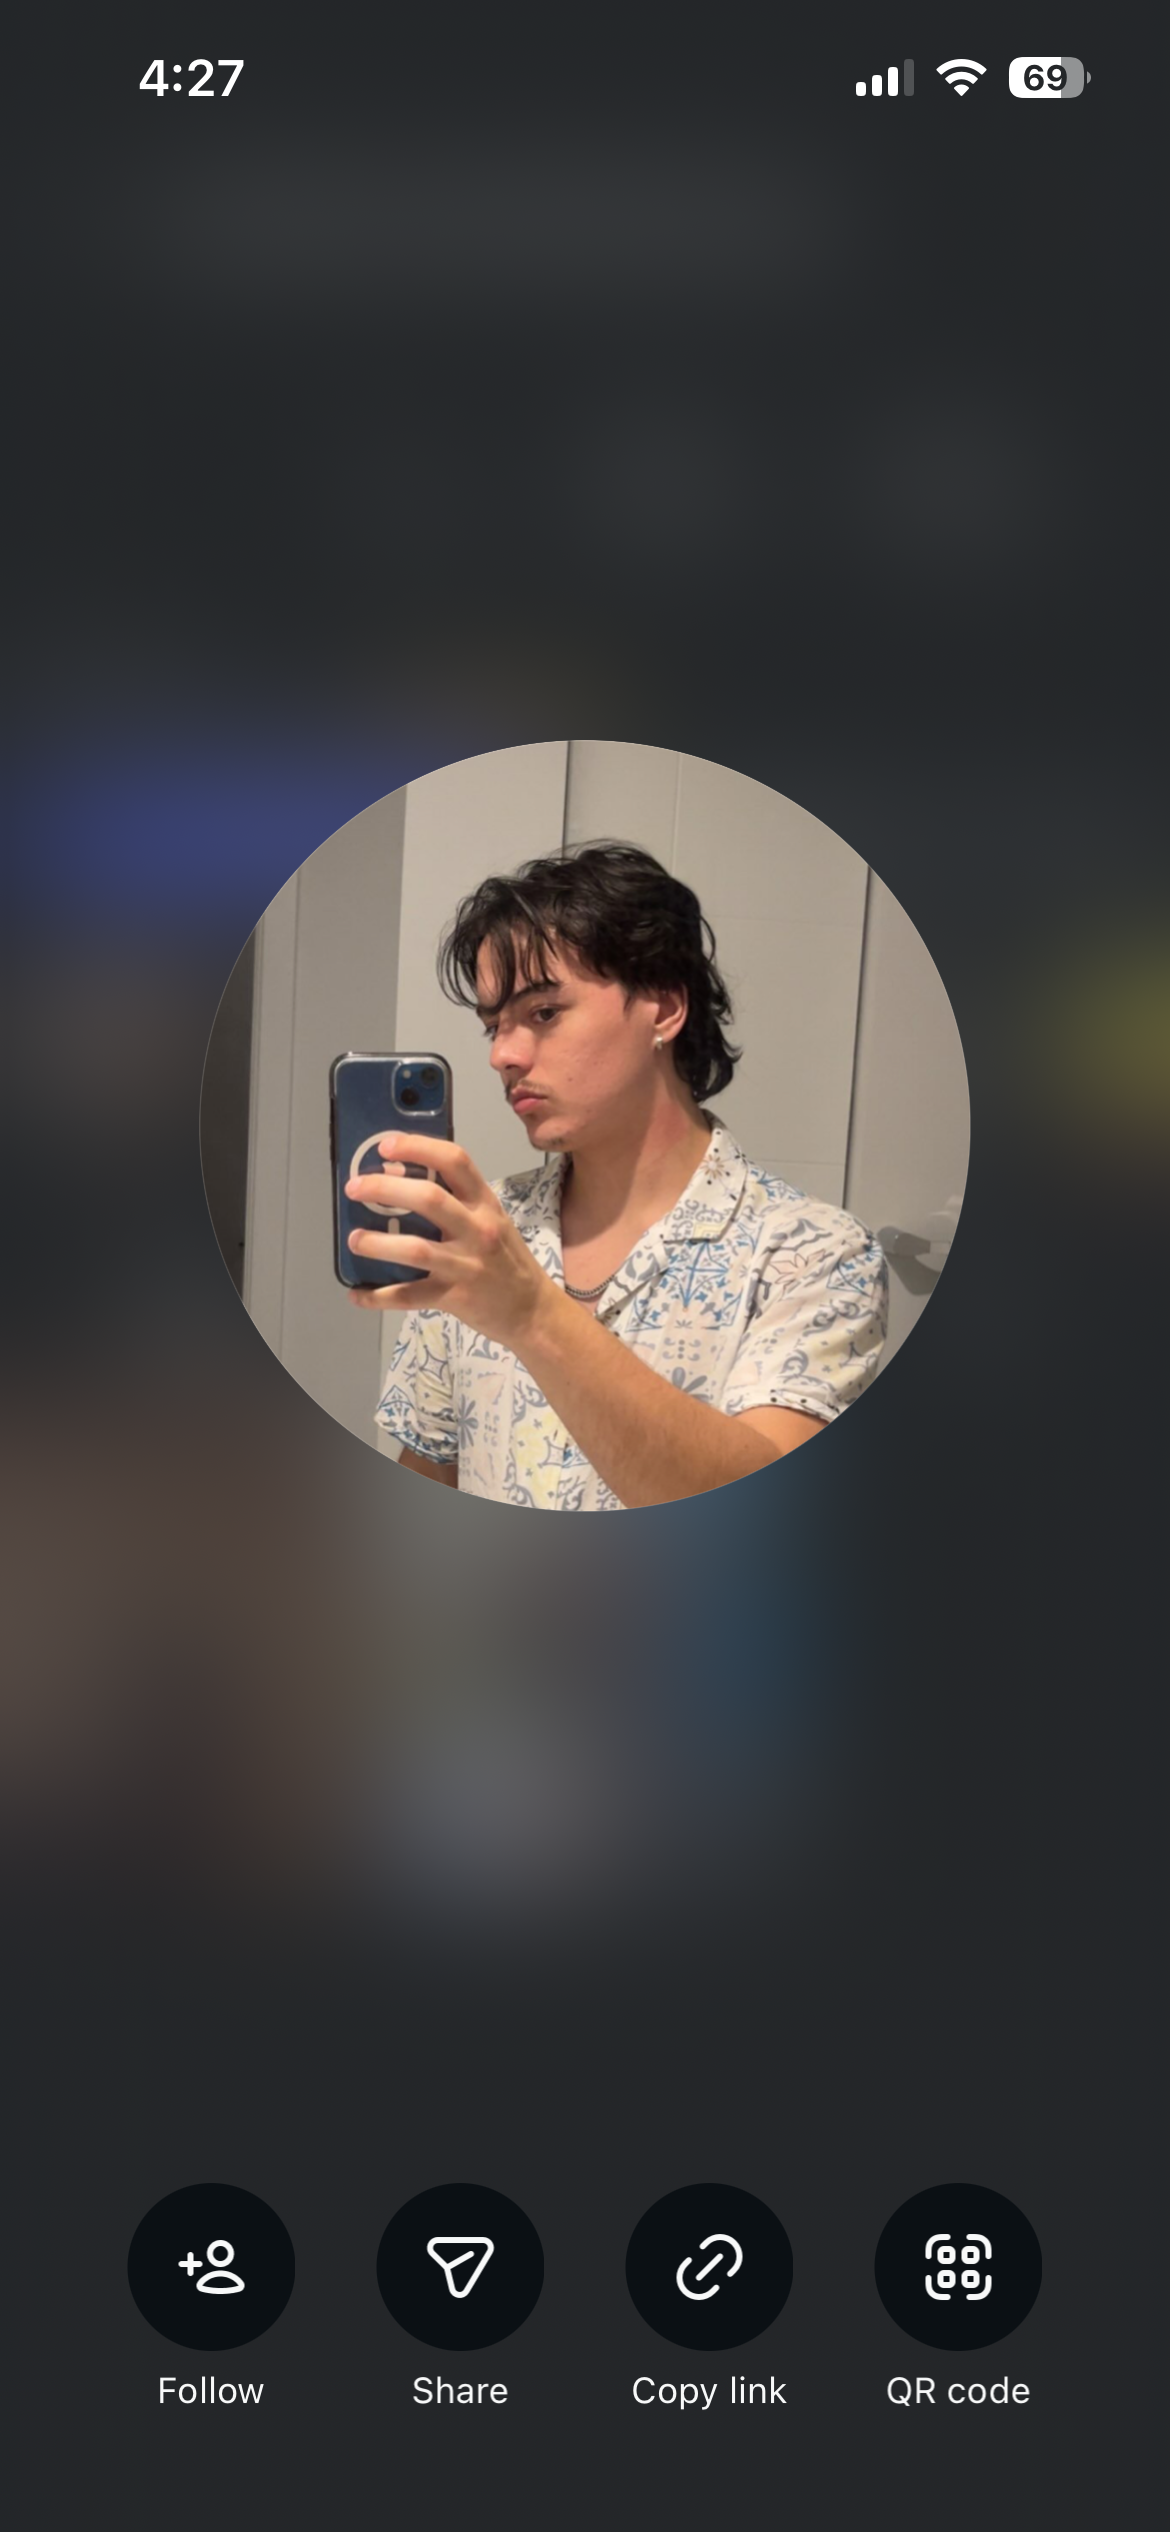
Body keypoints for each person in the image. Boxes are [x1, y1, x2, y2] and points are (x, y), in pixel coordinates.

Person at [346, 843, 886, 1511]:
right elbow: (430, 1470)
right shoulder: (479, 1234)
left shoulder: (815, 1254)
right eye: (494, 1026)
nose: (503, 1055)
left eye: (543, 1013)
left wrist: (531, 1315)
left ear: (664, 1008)